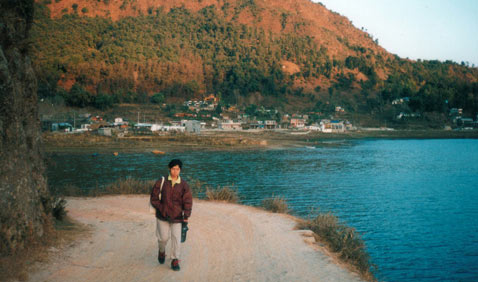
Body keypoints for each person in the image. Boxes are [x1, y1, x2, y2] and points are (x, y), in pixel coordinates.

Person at [150, 159, 193, 271]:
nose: (175, 171)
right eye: (173, 168)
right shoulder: (162, 181)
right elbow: (154, 198)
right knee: (163, 238)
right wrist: (161, 208)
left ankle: (175, 260)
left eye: (178, 169)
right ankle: (161, 251)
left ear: (180, 170)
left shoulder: (184, 185)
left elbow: (187, 201)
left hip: (177, 217)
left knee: (176, 239)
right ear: (169, 169)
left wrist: (186, 216)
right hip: (162, 216)